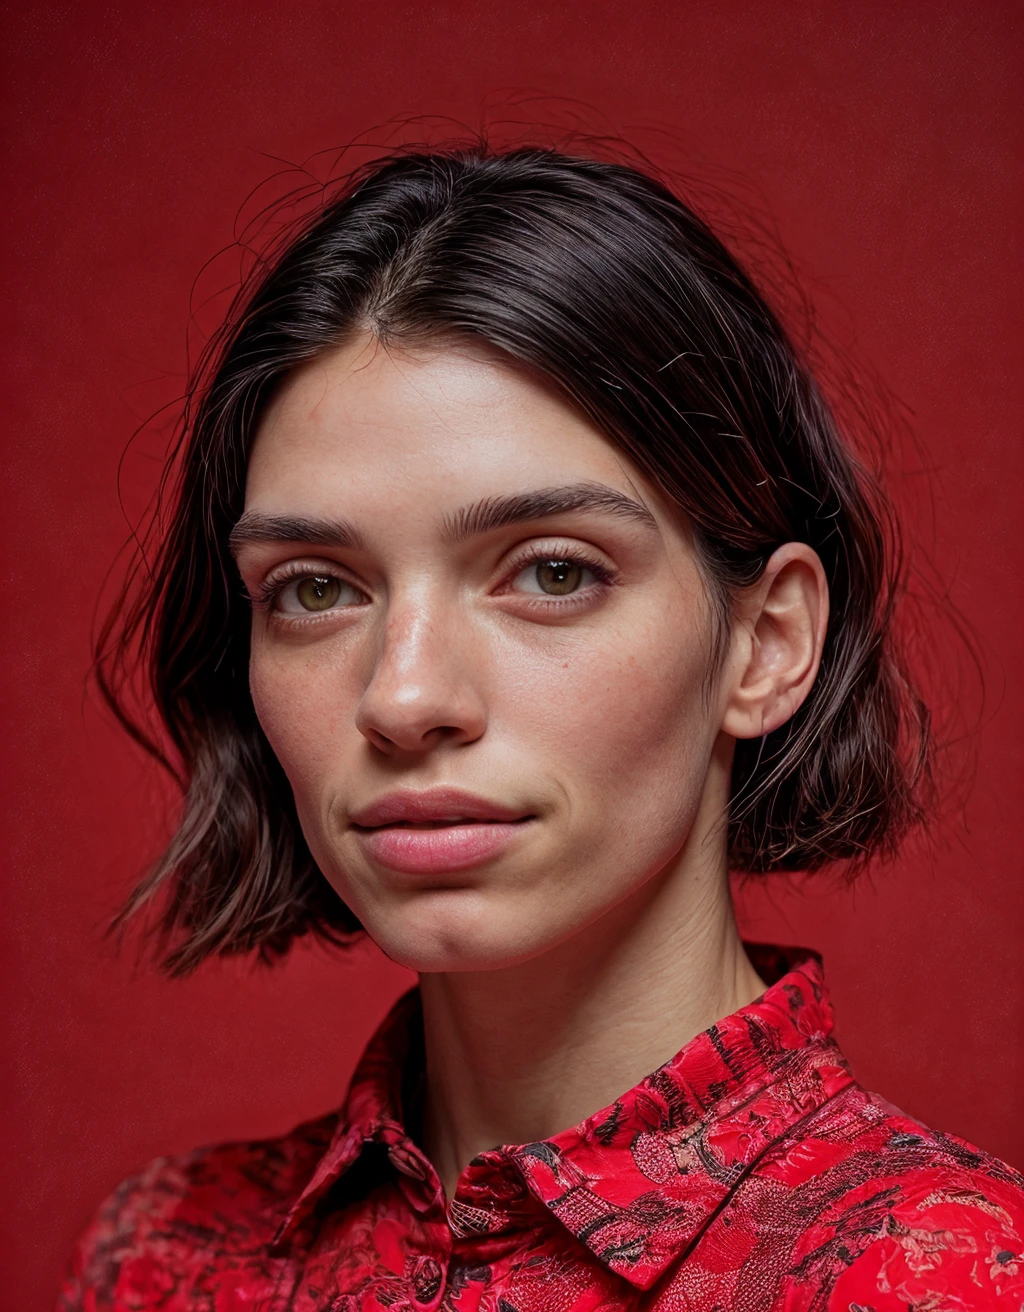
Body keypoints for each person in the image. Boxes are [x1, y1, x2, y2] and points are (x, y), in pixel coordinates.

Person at [59, 145, 1024, 1310]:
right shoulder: (163, 1265)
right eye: (316, 588)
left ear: (767, 643)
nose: (404, 698)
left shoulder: (943, 1277)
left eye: (552, 571)